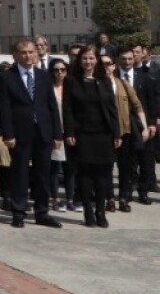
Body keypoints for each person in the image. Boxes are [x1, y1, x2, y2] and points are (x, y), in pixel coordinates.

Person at [0, 38, 63, 229]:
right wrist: (8, 134)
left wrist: (57, 134)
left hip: (43, 132)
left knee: (43, 174)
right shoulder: (7, 77)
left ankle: (42, 212)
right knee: (20, 174)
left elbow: (51, 106)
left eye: (31, 52)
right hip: (19, 133)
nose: (28, 56)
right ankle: (18, 212)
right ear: (16, 55)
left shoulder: (43, 76)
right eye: (24, 52)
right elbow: (4, 107)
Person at [63, 48, 120, 228]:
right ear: (80, 61)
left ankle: (100, 212)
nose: (88, 62)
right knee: (85, 175)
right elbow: (67, 109)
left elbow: (112, 110)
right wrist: (70, 132)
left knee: (103, 174)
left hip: (103, 134)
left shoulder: (104, 81)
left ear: (96, 61)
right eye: (85, 58)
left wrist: (116, 133)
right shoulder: (71, 81)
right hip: (82, 135)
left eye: (91, 58)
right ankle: (88, 211)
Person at [104, 53, 148, 213]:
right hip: (105, 134)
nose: (106, 67)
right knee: (106, 168)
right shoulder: (96, 84)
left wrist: (143, 126)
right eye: (102, 64)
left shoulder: (122, 84)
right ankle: (109, 198)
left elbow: (137, 105)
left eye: (108, 63)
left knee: (125, 168)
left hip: (125, 133)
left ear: (114, 65)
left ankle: (123, 198)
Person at [48, 59, 77, 213]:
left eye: (62, 69)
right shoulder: (48, 88)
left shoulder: (71, 88)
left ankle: (70, 199)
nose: (59, 73)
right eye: (56, 70)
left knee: (70, 168)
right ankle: (55, 199)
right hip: (55, 132)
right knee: (54, 167)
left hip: (70, 132)